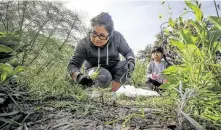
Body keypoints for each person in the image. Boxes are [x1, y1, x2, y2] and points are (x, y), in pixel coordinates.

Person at [68, 12, 135, 92]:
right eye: (94, 33)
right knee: (105, 77)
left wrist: (131, 61)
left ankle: (113, 93)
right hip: (95, 70)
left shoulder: (117, 37)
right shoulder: (83, 43)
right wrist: (79, 77)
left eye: (102, 36)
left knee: (127, 65)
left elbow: (128, 52)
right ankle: (96, 90)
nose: (96, 39)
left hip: (114, 67)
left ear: (110, 35)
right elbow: (73, 64)